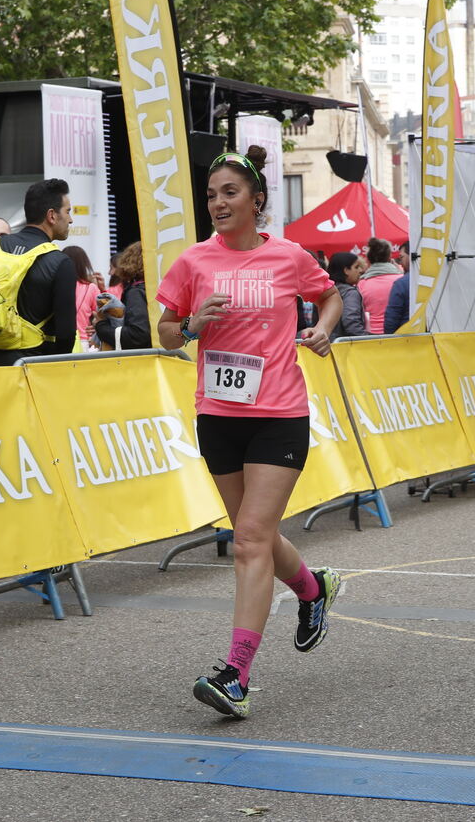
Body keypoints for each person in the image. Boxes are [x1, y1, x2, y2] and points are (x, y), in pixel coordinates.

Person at [154, 146, 344, 719]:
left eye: (230, 193)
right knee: (252, 535)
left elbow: (330, 295)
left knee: (248, 541)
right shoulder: (193, 262)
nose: (218, 203)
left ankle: (235, 674)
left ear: (257, 202)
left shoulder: (289, 257)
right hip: (218, 414)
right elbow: (163, 332)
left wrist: (324, 330)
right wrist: (189, 325)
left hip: (279, 413)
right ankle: (313, 589)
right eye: (211, 194)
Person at [0, 179, 77, 367]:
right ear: (51, 215)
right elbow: (66, 334)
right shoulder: (60, 262)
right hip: (33, 369)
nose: (70, 219)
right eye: (67, 211)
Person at [93, 241, 150, 350]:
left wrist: (101, 326)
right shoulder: (157, 289)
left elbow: (137, 335)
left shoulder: (136, 292)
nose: (111, 273)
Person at [64, 245, 105, 345]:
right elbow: (105, 314)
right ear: (84, 264)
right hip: (83, 341)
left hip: (58, 339)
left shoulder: (56, 285)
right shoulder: (91, 287)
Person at [357, 238, 400, 334]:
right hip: (398, 332)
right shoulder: (401, 280)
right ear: (390, 257)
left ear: (368, 259)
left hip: (371, 335)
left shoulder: (361, 283)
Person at [326, 252, 368, 338]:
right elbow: (352, 325)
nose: (360, 271)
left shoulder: (325, 291)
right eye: (356, 267)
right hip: (346, 345)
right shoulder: (350, 293)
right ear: (346, 271)